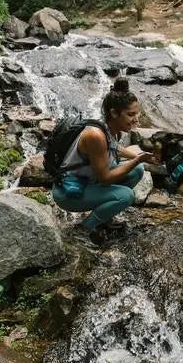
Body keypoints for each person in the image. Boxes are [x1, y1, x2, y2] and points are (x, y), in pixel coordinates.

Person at [52, 77, 156, 245]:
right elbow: (105, 178)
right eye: (131, 114)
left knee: (137, 171)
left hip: (87, 183)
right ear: (114, 113)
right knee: (126, 195)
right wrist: (138, 160)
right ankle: (83, 230)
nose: (137, 119)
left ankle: (105, 217)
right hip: (69, 192)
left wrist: (143, 157)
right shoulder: (96, 135)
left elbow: (115, 148)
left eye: (138, 113)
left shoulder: (109, 129)